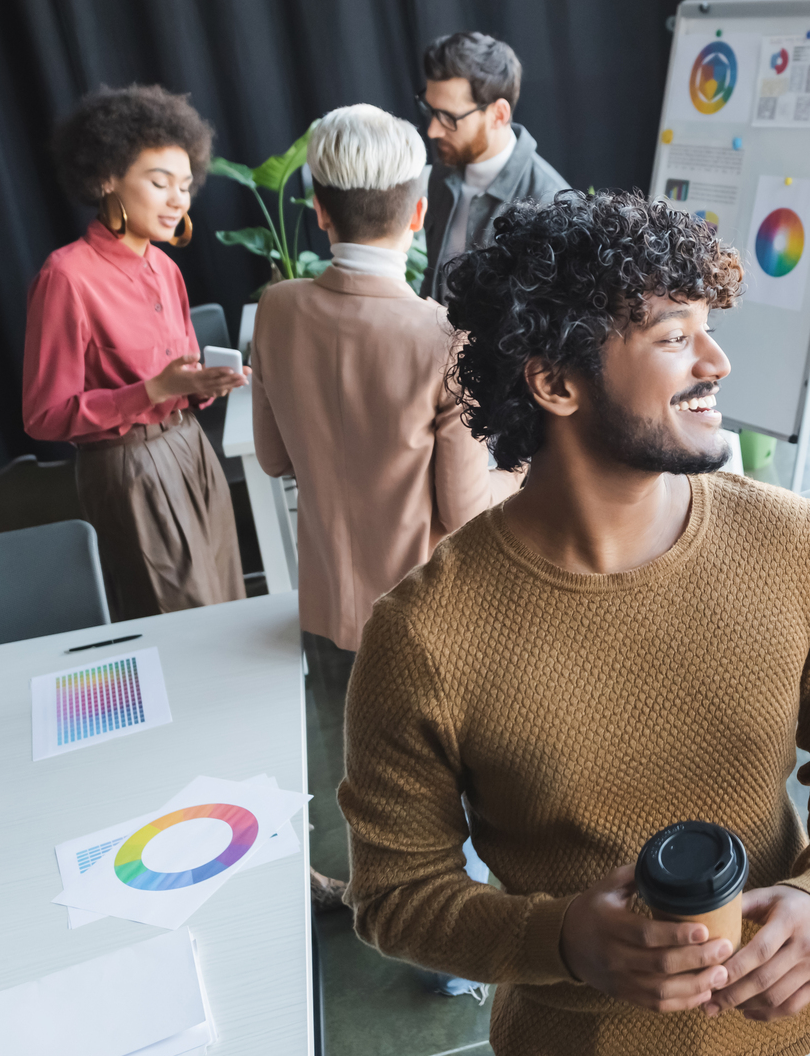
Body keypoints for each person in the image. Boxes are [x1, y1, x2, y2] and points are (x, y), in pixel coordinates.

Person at [339, 192, 810, 1056]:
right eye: (673, 337)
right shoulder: (423, 635)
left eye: (709, 331)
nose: (715, 364)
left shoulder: (792, 542)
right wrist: (562, 940)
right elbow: (394, 895)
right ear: (556, 385)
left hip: (806, 1049)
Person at [250, 103, 513, 914]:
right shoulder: (444, 337)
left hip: (332, 598)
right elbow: (466, 509)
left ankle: (365, 889)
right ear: (421, 211)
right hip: (428, 609)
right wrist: (527, 464)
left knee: (366, 764)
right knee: (447, 777)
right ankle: (446, 936)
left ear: (319, 211)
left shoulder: (277, 308)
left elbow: (273, 458)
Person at [26, 84, 247, 619]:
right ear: (106, 178)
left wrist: (203, 386)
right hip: (130, 470)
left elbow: (182, 377)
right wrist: (155, 390)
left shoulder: (165, 268)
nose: (178, 200)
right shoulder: (67, 277)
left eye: (185, 185)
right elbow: (44, 416)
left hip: (193, 450)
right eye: (158, 182)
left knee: (227, 603)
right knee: (180, 621)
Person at [417, 31, 569, 303]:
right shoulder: (442, 173)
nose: (433, 130)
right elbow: (433, 277)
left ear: (499, 114)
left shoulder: (552, 202)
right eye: (430, 111)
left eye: (448, 117)